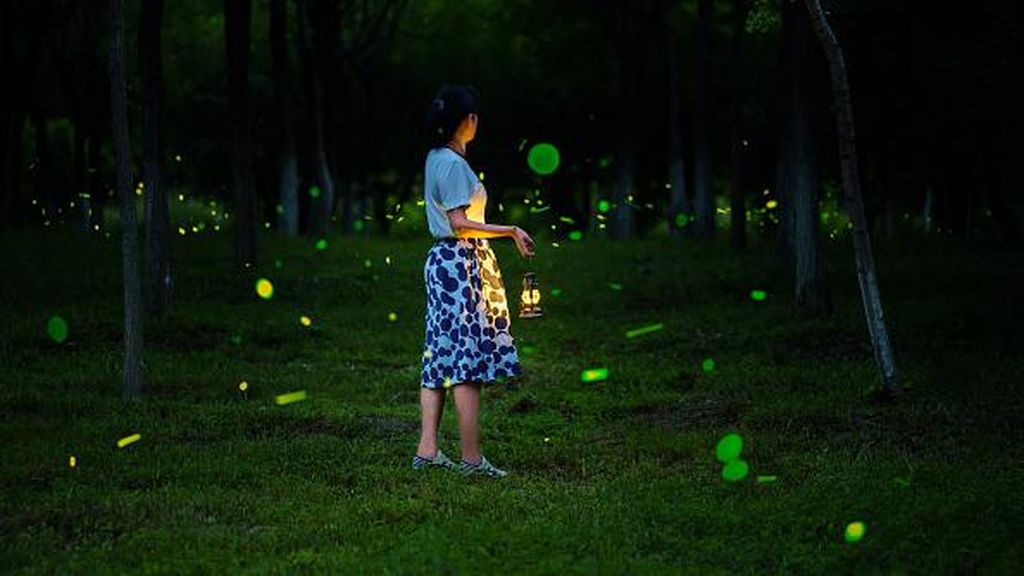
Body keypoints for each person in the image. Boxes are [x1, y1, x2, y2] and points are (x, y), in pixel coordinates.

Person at [413, 83, 535, 478]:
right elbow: (460, 223)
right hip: (459, 263)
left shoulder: (436, 157)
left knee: (440, 353)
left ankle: (428, 451)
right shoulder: (452, 164)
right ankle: (471, 459)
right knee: (466, 362)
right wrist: (510, 230)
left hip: (446, 262)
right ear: (469, 120)